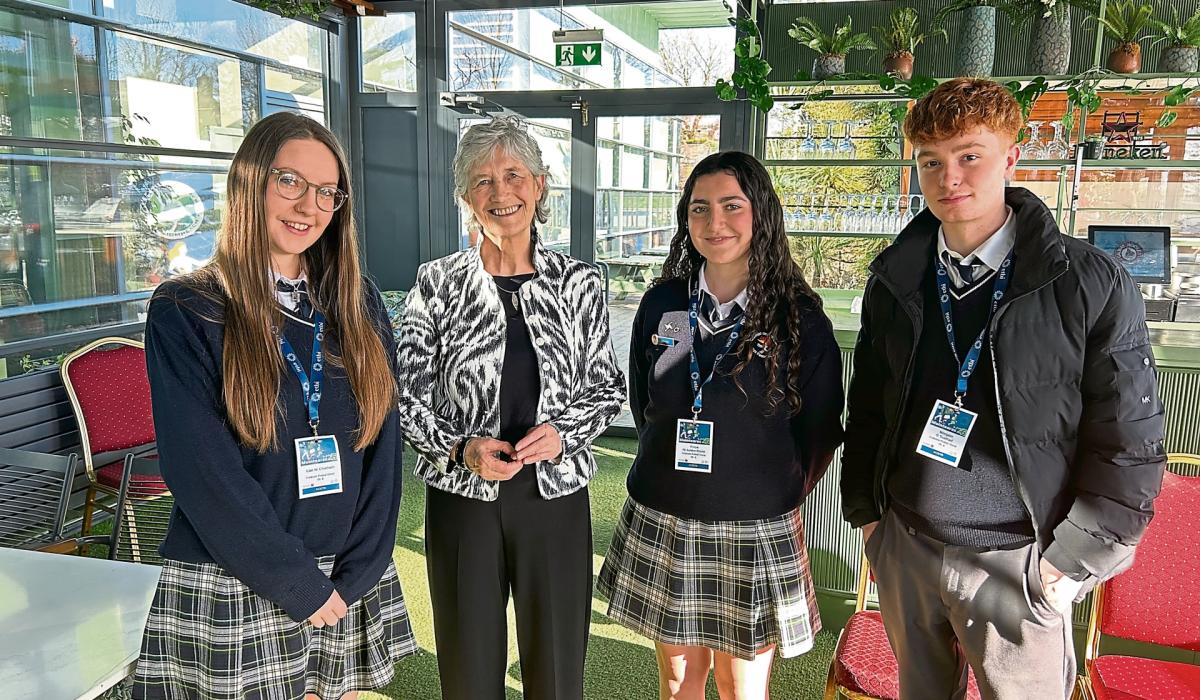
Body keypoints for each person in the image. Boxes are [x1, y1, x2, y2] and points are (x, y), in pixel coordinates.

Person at [841, 77, 1167, 699]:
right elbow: (870, 409)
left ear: (1011, 158)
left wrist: (1068, 567)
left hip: (1023, 563)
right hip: (907, 545)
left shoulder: (1088, 280)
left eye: (970, 155)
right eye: (931, 161)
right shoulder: (895, 278)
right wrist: (868, 522)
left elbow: (1129, 436)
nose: (949, 177)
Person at [134, 112, 416, 700]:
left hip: (343, 573)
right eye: (289, 181)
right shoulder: (189, 307)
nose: (308, 205)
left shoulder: (355, 301)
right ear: (250, 182)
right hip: (237, 575)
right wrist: (298, 587)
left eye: (326, 192)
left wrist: (360, 569)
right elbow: (200, 471)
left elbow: (384, 447)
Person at [598, 151, 845, 700]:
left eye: (732, 206)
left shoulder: (799, 318)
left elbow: (821, 431)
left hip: (754, 525)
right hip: (666, 510)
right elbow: (646, 404)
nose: (716, 224)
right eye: (700, 209)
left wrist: (764, 489)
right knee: (679, 680)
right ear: (685, 220)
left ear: (761, 214)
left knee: (741, 688)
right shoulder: (663, 303)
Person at [396, 116, 626, 700]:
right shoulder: (437, 283)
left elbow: (606, 387)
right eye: (482, 181)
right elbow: (403, 393)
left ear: (540, 185)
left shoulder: (578, 283)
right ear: (465, 197)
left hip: (554, 499)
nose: (500, 193)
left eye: (513, 175)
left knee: (555, 671)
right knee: (469, 672)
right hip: (463, 500)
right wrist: (458, 446)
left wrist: (564, 434)